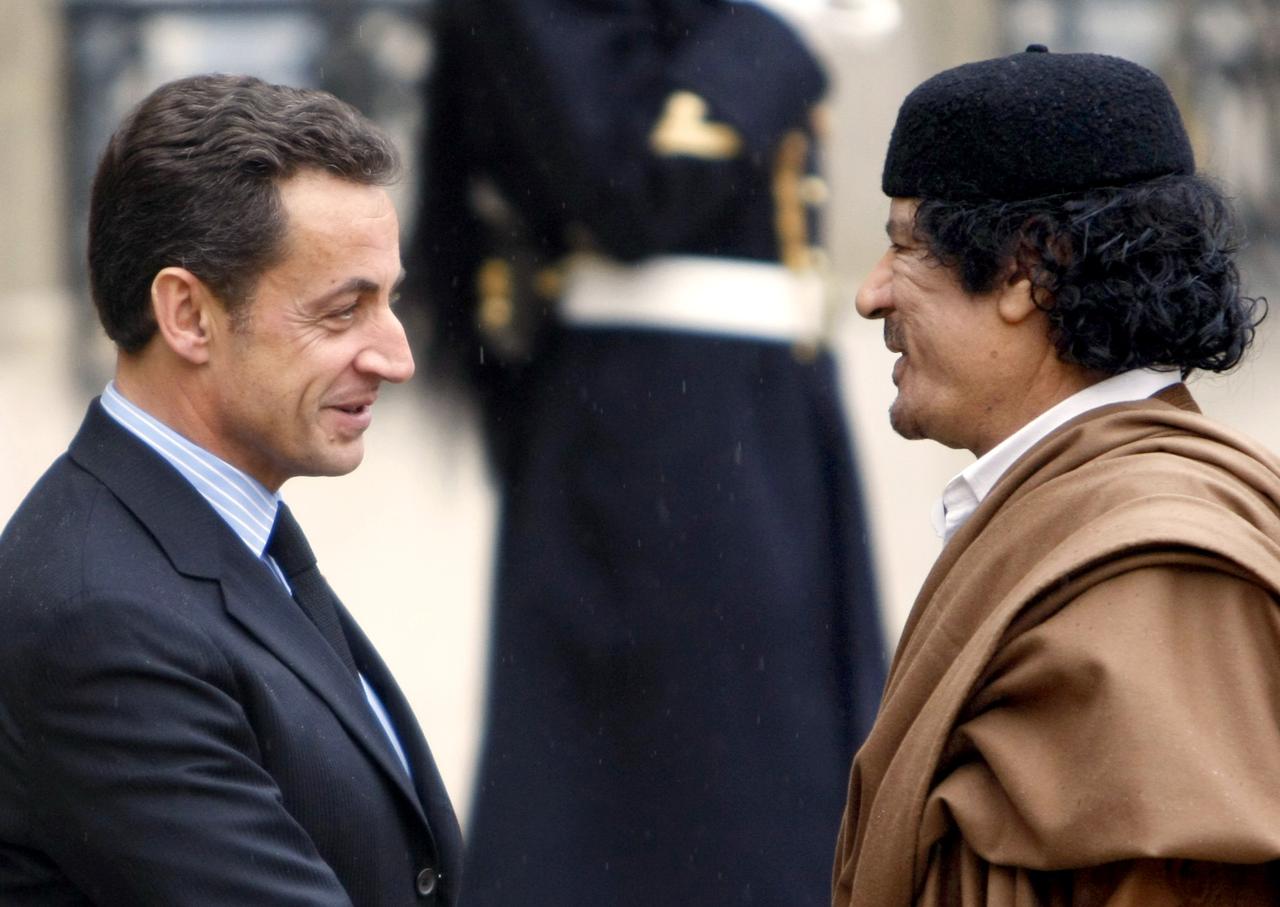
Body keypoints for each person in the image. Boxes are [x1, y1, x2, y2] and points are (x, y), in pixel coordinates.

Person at [409, 0, 886, 902]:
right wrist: (770, 26)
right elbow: (632, 188)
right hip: (659, 432)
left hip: (744, 410)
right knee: (683, 798)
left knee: (786, 779)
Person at [833, 45, 1280, 906]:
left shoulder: (1166, 580)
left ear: (1028, 268)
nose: (871, 293)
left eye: (906, 248)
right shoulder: (1077, 509)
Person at [0, 74, 462, 905]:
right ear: (187, 315)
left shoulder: (219, 542)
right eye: (341, 311)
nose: (396, 356)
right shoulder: (99, 617)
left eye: (389, 301)